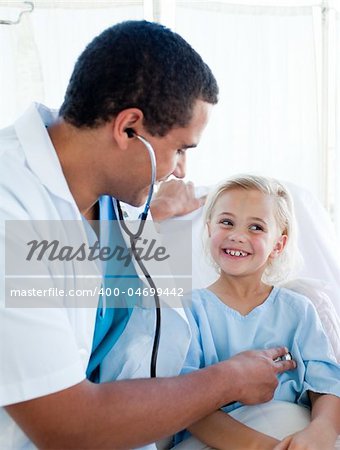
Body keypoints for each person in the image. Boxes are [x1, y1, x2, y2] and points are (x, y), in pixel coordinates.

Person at [0, 21, 295, 449]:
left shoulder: (104, 201)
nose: (180, 170)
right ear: (128, 129)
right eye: (180, 150)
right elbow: (68, 426)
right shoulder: (11, 211)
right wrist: (227, 380)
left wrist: (156, 210)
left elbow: (78, 253)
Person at [173, 174, 340, 450]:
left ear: (278, 245)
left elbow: (328, 385)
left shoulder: (298, 309)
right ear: (209, 230)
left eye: (256, 227)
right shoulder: (189, 311)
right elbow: (186, 405)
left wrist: (320, 432)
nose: (238, 235)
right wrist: (263, 446)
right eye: (227, 222)